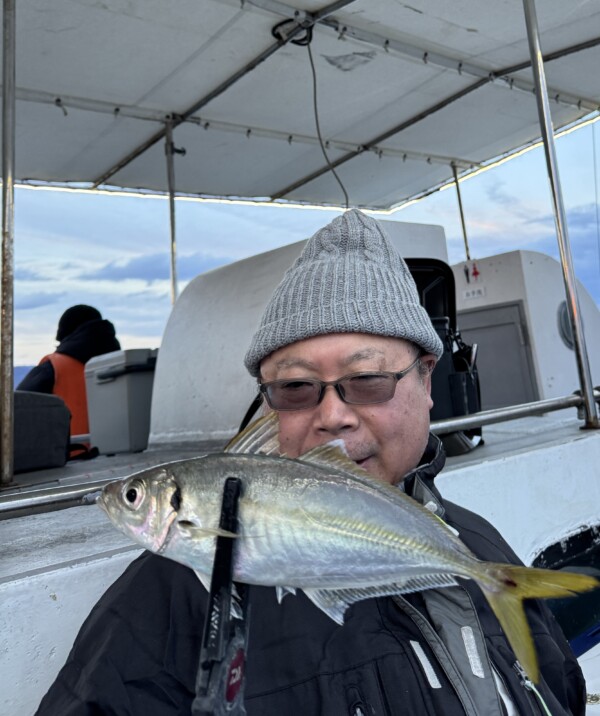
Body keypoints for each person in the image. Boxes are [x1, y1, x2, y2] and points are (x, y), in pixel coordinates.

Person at [35, 211, 585, 715]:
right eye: (296, 388)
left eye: (367, 380)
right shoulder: (174, 595)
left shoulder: (476, 542)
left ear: (426, 379)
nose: (332, 415)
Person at [17, 304, 121, 436]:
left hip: (67, 453)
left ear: (65, 336)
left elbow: (16, 411)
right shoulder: (123, 366)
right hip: (118, 451)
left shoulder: (52, 368)